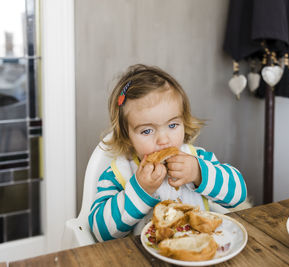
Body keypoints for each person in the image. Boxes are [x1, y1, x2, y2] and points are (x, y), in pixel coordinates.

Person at [89, 64, 247, 242]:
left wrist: (198, 173)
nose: (163, 140)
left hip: (198, 251)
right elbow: (99, 231)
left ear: (184, 122)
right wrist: (140, 190)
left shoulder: (198, 158)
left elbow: (238, 195)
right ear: (127, 137)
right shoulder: (118, 173)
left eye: (172, 125)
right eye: (147, 131)